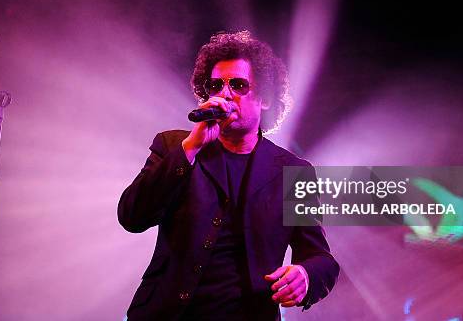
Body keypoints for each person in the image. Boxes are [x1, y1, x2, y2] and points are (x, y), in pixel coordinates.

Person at [118, 30, 339, 320]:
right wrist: (190, 148)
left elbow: (320, 257)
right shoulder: (175, 147)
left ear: (265, 98)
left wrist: (306, 275)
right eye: (215, 85)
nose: (224, 93)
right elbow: (133, 216)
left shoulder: (293, 173)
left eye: (238, 84)